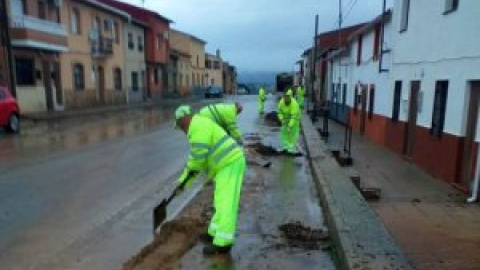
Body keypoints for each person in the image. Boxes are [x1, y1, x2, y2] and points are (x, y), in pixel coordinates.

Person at [174, 105, 246, 256]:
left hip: (230, 164)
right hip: (223, 166)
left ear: (183, 120)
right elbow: (197, 163)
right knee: (219, 201)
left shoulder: (198, 128)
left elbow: (197, 161)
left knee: (226, 203)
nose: (180, 129)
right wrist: (183, 183)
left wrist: (183, 183)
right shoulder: (198, 125)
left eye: (179, 125)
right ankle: (214, 233)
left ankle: (223, 243)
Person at [277, 89, 301, 154]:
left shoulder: (294, 104)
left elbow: (293, 117)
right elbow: (279, 112)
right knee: (284, 133)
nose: (286, 98)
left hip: (294, 120)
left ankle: (291, 149)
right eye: (285, 96)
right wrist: (281, 119)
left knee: (292, 134)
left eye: (288, 96)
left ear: (290, 97)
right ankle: (285, 147)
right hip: (285, 120)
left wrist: (290, 126)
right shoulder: (281, 102)